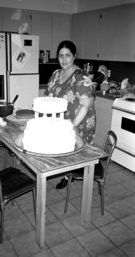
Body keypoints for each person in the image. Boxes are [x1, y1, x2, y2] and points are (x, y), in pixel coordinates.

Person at [44, 40, 96, 189]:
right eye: (61, 55)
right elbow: (47, 96)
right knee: (62, 149)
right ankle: (66, 172)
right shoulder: (55, 74)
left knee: (74, 153)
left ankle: (69, 175)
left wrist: (71, 126)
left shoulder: (81, 76)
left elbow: (86, 105)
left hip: (79, 123)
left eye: (68, 55)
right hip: (61, 122)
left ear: (74, 56)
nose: (64, 59)